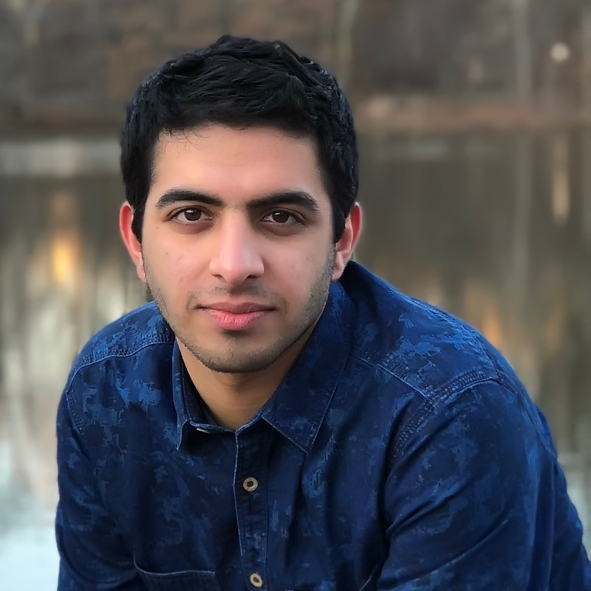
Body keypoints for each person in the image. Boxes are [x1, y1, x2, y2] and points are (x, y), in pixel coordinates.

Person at [55, 35, 591, 590]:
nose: (234, 266)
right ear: (136, 241)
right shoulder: (104, 397)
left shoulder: (448, 415)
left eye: (281, 217)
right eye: (192, 214)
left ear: (342, 241)